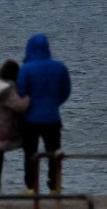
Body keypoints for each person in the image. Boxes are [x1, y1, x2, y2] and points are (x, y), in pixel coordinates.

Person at [16, 33, 71, 193]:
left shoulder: (26, 69)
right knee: (54, 154)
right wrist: (54, 104)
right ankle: (55, 186)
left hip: (30, 119)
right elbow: (65, 90)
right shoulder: (59, 67)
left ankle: (31, 187)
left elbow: (21, 92)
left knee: (30, 154)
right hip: (52, 118)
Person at [0, 59, 30, 191]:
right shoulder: (8, 90)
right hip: (2, 126)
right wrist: (29, 96)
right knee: (1, 155)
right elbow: (20, 106)